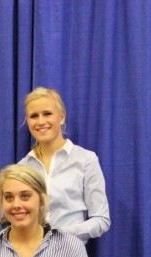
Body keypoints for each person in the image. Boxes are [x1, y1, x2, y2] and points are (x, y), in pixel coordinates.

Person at [19, 87, 110, 243]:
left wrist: (59, 233)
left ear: (62, 117)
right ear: (28, 122)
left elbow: (101, 220)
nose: (41, 122)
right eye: (34, 116)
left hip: (71, 256)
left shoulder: (86, 160)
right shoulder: (22, 168)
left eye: (47, 114)